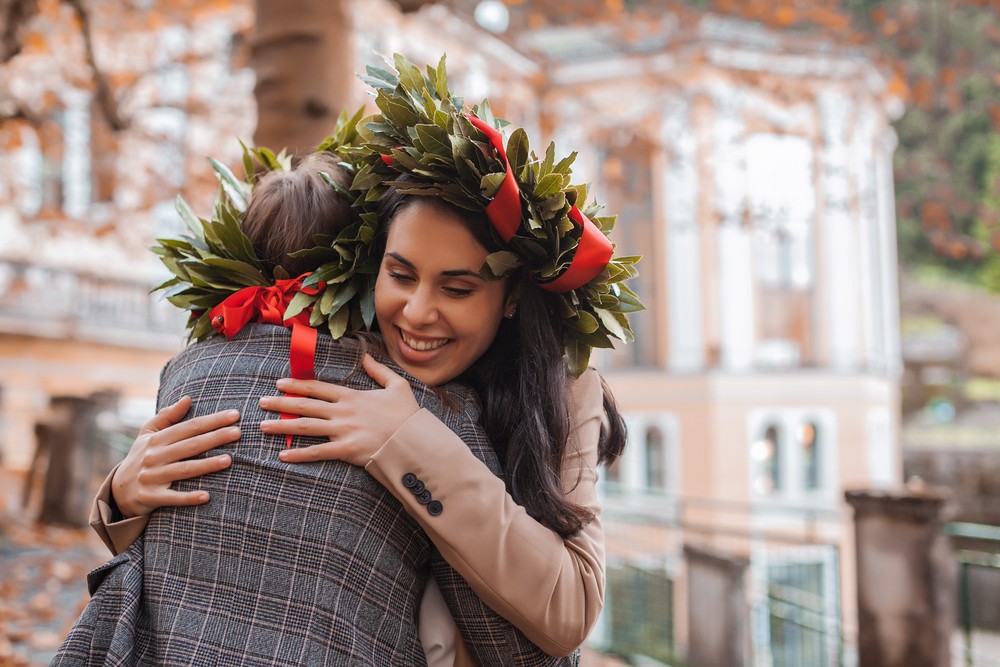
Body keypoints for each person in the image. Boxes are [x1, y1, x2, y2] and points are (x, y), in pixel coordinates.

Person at [78, 55, 641, 665]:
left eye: (458, 289)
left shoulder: (562, 390)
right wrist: (121, 495)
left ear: (511, 298)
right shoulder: (357, 361)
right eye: (400, 275)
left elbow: (567, 620)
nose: (417, 313)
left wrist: (409, 438)